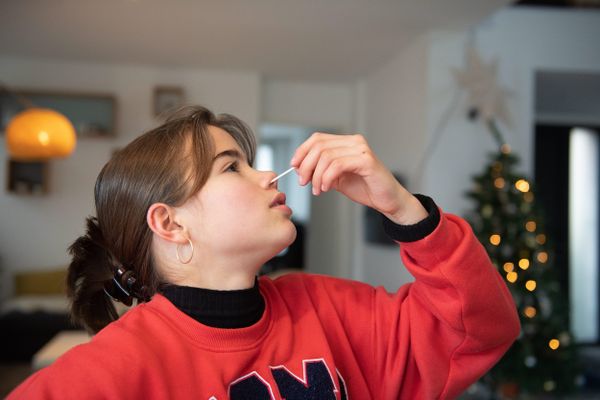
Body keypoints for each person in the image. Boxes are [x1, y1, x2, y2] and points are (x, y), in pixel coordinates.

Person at [8, 105, 520, 399]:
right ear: (170, 223)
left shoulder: (328, 309)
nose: (263, 175)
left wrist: (406, 210)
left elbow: (480, 331)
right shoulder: (114, 371)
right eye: (232, 167)